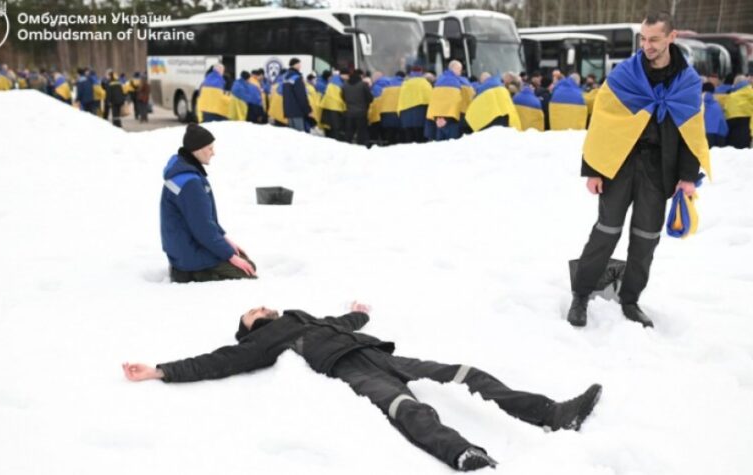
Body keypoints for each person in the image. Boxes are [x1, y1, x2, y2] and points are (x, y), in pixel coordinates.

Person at [123, 301, 603, 472]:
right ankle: (465, 456)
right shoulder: (263, 340)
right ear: (252, 329)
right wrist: (161, 369)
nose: (259, 307)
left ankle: (553, 414)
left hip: (375, 351)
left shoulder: (299, 316)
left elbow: (340, 320)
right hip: (352, 370)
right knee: (406, 408)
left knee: (466, 374)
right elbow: (218, 361)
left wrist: (360, 314)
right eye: (252, 313)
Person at [569, 12, 710, 328]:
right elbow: (602, 123)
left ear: (671, 37)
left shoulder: (687, 82)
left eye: (654, 39)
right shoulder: (625, 75)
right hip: (620, 163)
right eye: (643, 39)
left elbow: (692, 134)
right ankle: (581, 294)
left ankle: (630, 300)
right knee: (606, 230)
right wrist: (594, 169)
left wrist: (687, 177)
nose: (647, 45)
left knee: (646, 236)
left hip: (659, 168)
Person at [160, 124, 257, 283]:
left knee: (243, 258)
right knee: (248, 271)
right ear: (197, 150)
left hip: (183, 249)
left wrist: (226, 240)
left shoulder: (184, 171)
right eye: (210, 148)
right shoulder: (190, 183)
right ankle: (191, 275)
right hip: (189, 256)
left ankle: (186, 269)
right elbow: (203, 228)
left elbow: (203, 221)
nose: (214, 153)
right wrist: (230, 256)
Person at [425, 60, 466, 141]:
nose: (460, 72)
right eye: (459, 70)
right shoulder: (459, 82)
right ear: (455, 69)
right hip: (452, 119)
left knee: (440, 147)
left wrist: (438, 118)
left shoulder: (438, 81)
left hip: (438, 119)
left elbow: (434, 101)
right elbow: (459, 101)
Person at [341, 69, 374, 146]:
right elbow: (370, 98)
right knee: (362, 133)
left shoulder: (345, 85)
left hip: (349, 112)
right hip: (361, 113)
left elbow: (343, 97)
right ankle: (362, 149)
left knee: (349, 133)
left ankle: (346, 148)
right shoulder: (363, 85)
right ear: (360, 76)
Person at [282, 57, 312, 133]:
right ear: (295, 65)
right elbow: (301, 96)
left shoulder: (285, 77)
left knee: (292, 134)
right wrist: (307, 109)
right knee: (300, 134)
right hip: (297, 110)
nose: (300, 66)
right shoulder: (297, 78)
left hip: (288, 110)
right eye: (299, 64)